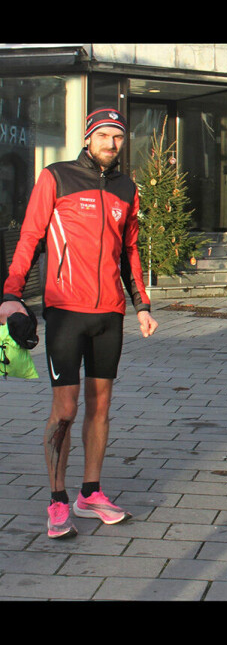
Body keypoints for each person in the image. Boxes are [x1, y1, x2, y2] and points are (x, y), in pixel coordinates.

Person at [0, 107, 158, 539]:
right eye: (104, 135)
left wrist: (142, 305)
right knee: (66, 410)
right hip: (66, 311)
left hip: (109, 313)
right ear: (89, 138)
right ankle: (57, 500)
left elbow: (130, 250)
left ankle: (91, 493)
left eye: (118, 137)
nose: (111, 143)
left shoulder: (127, 188)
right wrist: (11, 295)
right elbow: (30, 237)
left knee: (101, 406)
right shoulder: (57, 177)